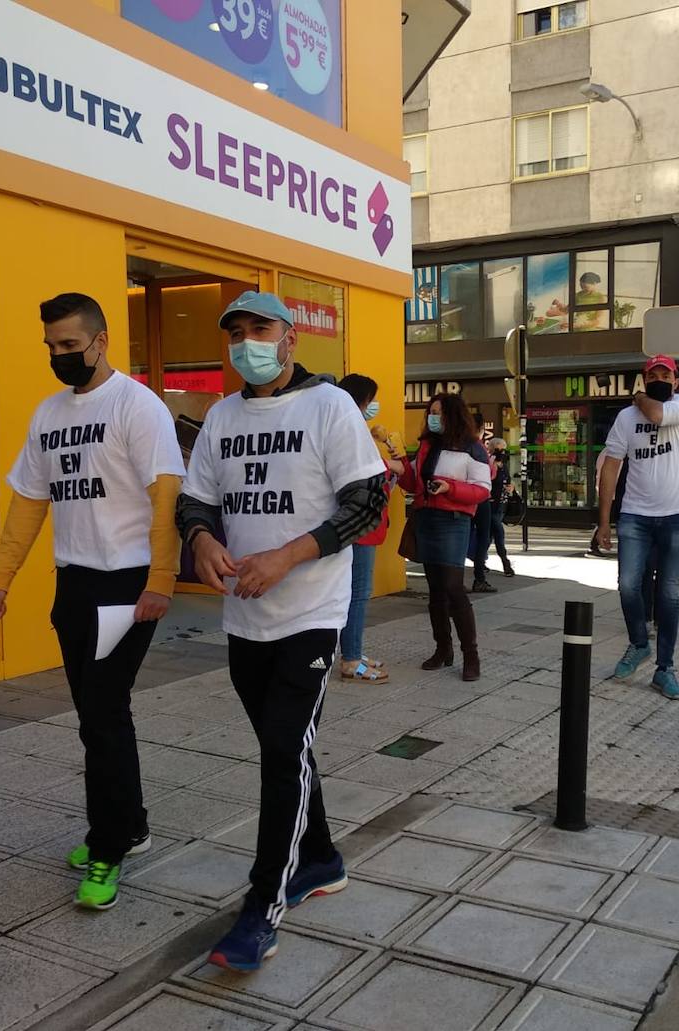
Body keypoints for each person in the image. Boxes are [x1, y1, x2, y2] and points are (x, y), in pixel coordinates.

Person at [178, 292, 387, 972]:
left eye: (260, 328)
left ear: (290, 338)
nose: (247, 342)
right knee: (287, 747)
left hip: (311, 614)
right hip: (244, 617)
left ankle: (262, 905)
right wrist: (202, 538)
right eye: (235, 332)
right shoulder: (222, 416)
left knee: (280, 751)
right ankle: (320, 858)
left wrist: (288, 555)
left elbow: (368, 503)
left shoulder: (329, 407)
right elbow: (194, 499)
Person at [0, 292, 184, 910]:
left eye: (70, 344)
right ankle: (131, 825)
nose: (59, 355)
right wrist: (0, 577)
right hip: (74, 583)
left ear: (101, 341)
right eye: (52, 346)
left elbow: (166, 498)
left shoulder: (137, 406)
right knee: (98, 712)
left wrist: (161, 580)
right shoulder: (48, 413)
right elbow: (28, 504)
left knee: (102, 717)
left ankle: (108, 847)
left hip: (127, 583)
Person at [595, 354, 679, 700]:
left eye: (665, 375)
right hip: (636, 514)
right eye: (652, 375)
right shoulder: (625, 418)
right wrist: (603, 521)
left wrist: (640, 397)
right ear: (645, 378)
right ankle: (639, 643)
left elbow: (657, 414)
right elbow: (610, 467)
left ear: (676, 381)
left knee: (668, 593)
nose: (659, 380)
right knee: (628, 585)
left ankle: (665, 668)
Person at [398, 393, 492, 681]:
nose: (433, 417)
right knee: (436, 590)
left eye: (438, 412)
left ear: (453, 414)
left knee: (453, 587)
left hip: (453, 521)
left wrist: (450, 488)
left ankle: (471, 655)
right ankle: (443, 649)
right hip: (426, 518)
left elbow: (482, 489)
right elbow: (413, 483)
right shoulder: (428, 444)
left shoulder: (472, 447)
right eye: (431, 412)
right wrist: (398, 463)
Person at [336, 373, 405, 683]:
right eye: (371, 401)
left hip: (359, 524)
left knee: (355, 592)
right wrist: (391, 467)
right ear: (361, 401)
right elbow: (369, 476)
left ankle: (353, 650)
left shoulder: (348, 429)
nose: (373, 406)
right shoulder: (351, 433)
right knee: (358, 592)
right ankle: (351, 659)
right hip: (359, 525)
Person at [482, 436, 516, 579]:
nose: (501, 453)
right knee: (498, 532)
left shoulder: (504, 465)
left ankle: (480, 561)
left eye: (503, 450)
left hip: (502, 504)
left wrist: (511, 487)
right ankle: (505, 562)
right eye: (498, 450)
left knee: (489, 535)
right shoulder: (488, 463)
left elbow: (507, 480)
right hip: (490, 503)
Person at [469, 433, 499, 594]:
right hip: (480, 497)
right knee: (483, 537)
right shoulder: (479, 448)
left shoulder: (456, 445)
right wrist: (494, 464)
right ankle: (479, 578)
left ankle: (455, 580)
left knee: (462, 536)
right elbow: (489, 475)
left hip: (463, 497)